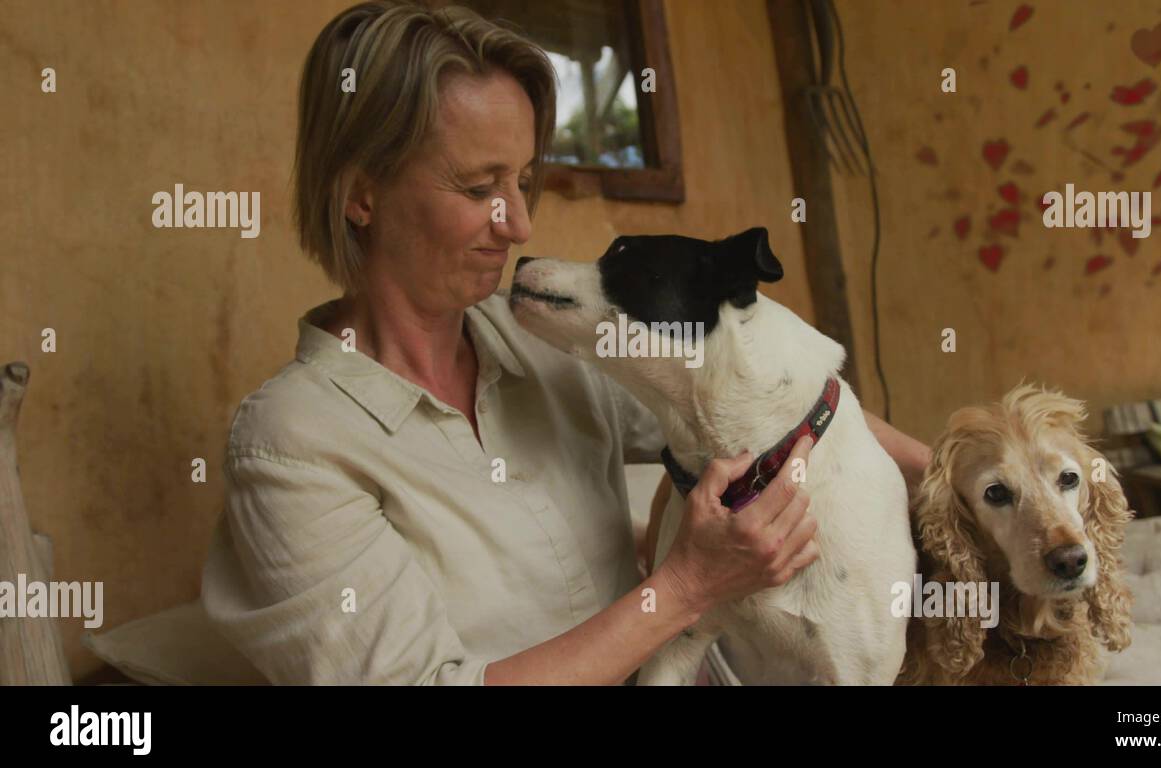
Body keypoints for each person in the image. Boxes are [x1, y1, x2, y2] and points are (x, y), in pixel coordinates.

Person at [200, 1, 930, 685]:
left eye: (522, 180)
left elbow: (762, 405)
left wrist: (962, 480)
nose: (517, 223)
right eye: (479, 185)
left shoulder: (549, 344)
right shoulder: (291, 445)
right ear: (360, 193)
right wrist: (685, 586)